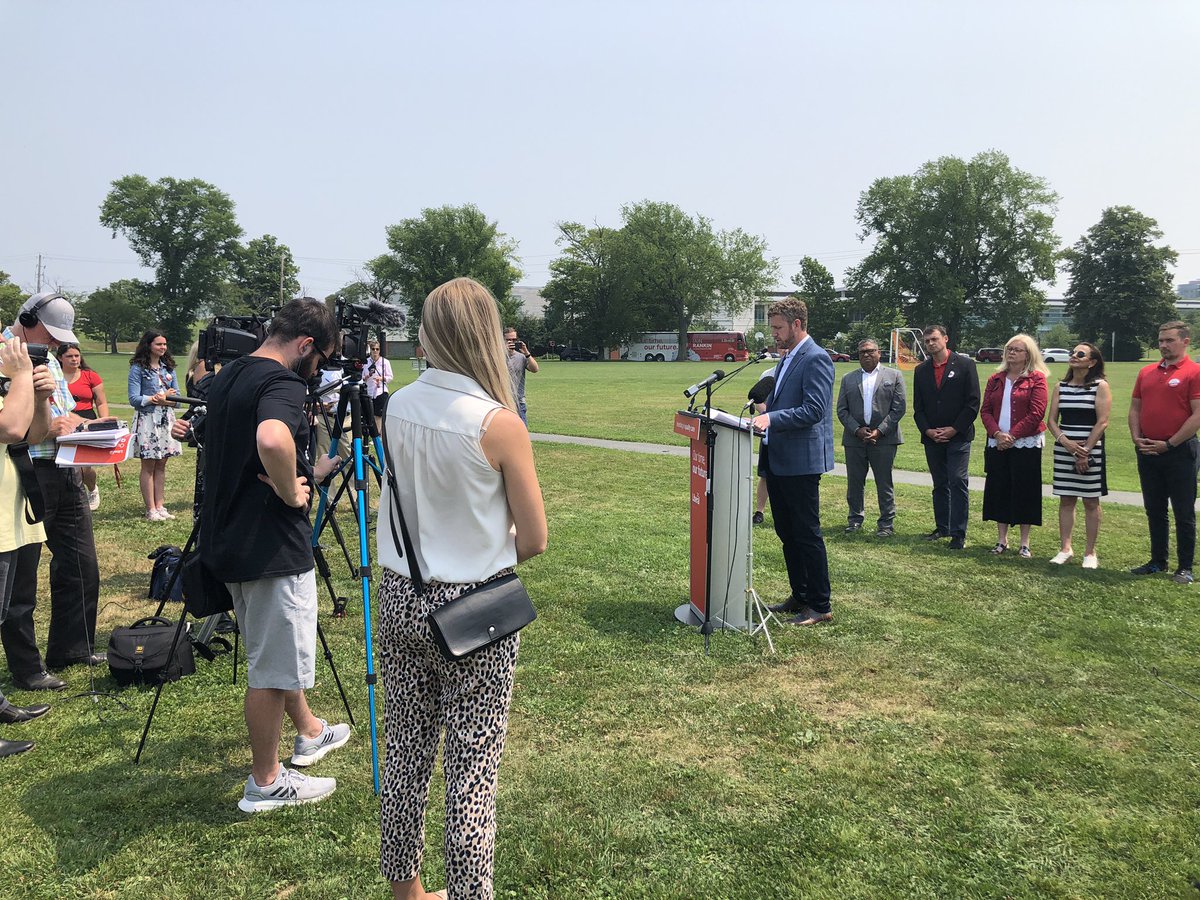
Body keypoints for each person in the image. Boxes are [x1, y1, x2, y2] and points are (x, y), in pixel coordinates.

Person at [376, 277, 547, 900]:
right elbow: (533, 538)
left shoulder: (395, 404)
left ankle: (406, 891)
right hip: (473, 603)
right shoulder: (498, 424)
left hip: (399, 594)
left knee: (405, 755)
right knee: (471, 770)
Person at [197, 298, 350, 812]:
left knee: (272, 650)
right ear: (305, 345)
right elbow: (271, 437)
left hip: (230, 538)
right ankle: (265, 781)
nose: (320, 370)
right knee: (271, 668)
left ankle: (308, 732)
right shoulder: (282, 383)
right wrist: (290, 492)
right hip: (269, 547)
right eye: (321, 359)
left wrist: (310, 472)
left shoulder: (232, 372)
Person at [0, 292, 102, 690]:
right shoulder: (6, 356)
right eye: (51, 332)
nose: (58, 343)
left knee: (80, 563)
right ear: (26, 319)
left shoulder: (50, 359)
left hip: (64, 467)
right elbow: (15, 428)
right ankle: (28, 668)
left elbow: (56, 411)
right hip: (24, 471)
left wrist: (81, 423)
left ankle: (73, 647)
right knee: (20, 577)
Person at [751, 297, 835, 627]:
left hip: (801, 462)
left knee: (806, 533)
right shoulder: (786, 358)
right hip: (778, 458)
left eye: (777, 328)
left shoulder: (816, 358)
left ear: (796, 325)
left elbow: (814, 411)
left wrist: (772, 418)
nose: (773, 334)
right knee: (787, 532)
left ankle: (820, 604)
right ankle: (799, 595)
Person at [0, 333, 54, 755]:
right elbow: (8, 427)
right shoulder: (10, 373)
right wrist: (20, 375)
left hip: (13, 515)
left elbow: (31, 435)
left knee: (10, 609)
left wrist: (40, 396)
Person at [1129, 321, 1200, 584]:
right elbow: (1136, 408)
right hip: (1147, 449)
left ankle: (1184, 567)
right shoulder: (1146, 372)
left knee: (1183, 511)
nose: (1163, 345)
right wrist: (1137, 437)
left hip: (1180, 451)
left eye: (1169, 340)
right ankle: (1157, 560)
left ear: (1185, 341)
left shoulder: (1194, 372)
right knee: (1154, 509)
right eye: (1160, 341)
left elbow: (1197, 415)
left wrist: (1170, 443)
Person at [979, 334, 1049, 558]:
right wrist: (998, 434)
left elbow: (1037, 412)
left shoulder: (1036, 379)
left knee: (1024, 490)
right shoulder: (996, 379)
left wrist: (1012, 436)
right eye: (1009, 349)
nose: (1011, 353)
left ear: (1028, 354)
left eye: (1017, 350)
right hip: (997, 443)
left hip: (1025, 444)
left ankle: (1025, 542)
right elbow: (986, 410)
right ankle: (1001, 540)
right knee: (1000, 488)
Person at [912, 324, 981, 550]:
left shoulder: (965, 365)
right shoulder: (921, 370)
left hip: (958, 436)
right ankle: (942, 527)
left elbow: (972, 403)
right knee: (940, 483)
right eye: (927, 341)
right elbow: (918, 408)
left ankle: (958, 532)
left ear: (945, 339)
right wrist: (928, 431)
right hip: (933, 437)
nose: (930, 343)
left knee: (957, 480)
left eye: (934, 339)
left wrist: (954, 429)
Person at [1046, 343, 1110, 569]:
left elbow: (1102, 421)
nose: (1073, 356)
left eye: (1080, 354)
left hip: (1090, 451)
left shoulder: (1100, 386)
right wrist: (1066, 443)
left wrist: (1085, 451)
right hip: (1065, 450)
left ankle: (1090, 552)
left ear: (1092, 362)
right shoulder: (1060, 386)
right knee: (1066, 499)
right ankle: (1065, 548)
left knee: (1091, 501)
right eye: (1073, 353)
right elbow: (1051, 421)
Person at [836, 338, 906, 537]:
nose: (866, 355)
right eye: (862, 352)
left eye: (870, 351)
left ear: (879, 352)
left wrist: (880, 430)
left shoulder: (894, 375)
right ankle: (854, 519)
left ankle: (886, 524)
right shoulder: (848, 378)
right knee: (855, 482)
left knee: (884, 482)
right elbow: (842, 410)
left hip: (884, 439)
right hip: (854, 439)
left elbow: (898, 408)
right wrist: (857, 430)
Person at [128, 331, 183, 521]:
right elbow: (134, 399)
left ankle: (160, 505)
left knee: (162, 464)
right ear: (148, 345)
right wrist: (154, 398)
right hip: (148, 421)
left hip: (166, 420)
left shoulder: (168, 368)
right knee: (148, 465)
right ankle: (150, 508)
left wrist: (164, 399)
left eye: (165, 344)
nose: (163, 348)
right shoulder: (138, 369)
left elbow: (178, 401)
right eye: (159, 344)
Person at [57, 343, 109, 511]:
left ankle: (92, 489)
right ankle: (73, 498)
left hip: (87, 419)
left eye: (76, 356)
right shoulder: (56, 375)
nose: (74, 359)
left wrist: (105, 421)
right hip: (64, 419)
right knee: (67, 464)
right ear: (60, 358)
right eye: (69, 356)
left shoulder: (90, 376)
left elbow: (101, 401)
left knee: (84, 466)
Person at [504, 325, 539, 426]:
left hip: (519, 401)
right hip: (502, 400)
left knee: (522, 431)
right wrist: (504, 352)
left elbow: (535, 369)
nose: (511, 342)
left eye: (514, 340)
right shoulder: (497, 357)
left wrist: (527, 353)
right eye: (508, 340)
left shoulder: (522, 357)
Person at [365, 340, 394, 435]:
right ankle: (373, 433)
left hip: (380, 391)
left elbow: (390, 377)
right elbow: (361, 378)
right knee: (369, 415)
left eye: (377, 349)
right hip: (369, 391)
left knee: (379, 415)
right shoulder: (366, 362)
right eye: (373, 349)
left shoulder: (385, 362)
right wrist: (368, 376)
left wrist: (381, 378)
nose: (375, 351)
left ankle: (378, 435)